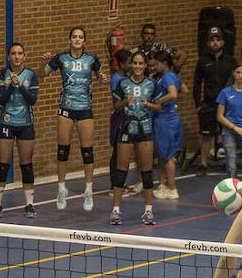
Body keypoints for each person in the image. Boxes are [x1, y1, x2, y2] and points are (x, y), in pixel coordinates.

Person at [40, 27, 106, 212]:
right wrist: (44, 63)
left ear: (85, 41)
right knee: (63, 151)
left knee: (87, 152)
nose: (77, 40)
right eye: (74, 37)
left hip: (85, 109)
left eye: (81, 37)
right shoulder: (61, 58)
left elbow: (100, 77)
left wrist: (102, 79)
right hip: (66, 109)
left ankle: (88, 190)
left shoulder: (92, 59)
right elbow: (42, 74)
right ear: (69, 40)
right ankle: (62, 188)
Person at [109, 51, 159, 226]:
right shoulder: (123, 84)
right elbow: (116, 106)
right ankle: (115, 211)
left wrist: (148, 104)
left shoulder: (152, 84)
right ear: (131, 65)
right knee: (121, 169)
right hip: (127, 129)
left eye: (141, 63)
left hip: (145, 130)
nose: (137, 66)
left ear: (145, 66)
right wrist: (125, 102)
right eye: (135, 63)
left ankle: (148, 211)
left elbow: (159, 107)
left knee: (146, 170)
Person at [0, 42, 40, 219]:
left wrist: (20, 85)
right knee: (3, 164)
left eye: (20, 53)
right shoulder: (2, 74)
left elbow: (32, 100)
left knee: (26, 165)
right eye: (13, 53)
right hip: (6, 123)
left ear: (24, 57)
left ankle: (29, 204)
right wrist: (11, 85)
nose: (17, 57)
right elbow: (1, 100)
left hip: (25, 124)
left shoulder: (31, 75)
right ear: (8, 57)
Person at [192, 28, 235, 176]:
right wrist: (198, 104)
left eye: (218, 39)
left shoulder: (230, 61)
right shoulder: (203, 61)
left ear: (222, 42)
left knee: (227, 134)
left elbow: (237, 80)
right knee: (206, 135)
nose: (215, 42)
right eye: (212, 40)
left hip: (227, 105)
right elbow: (197, 83)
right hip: (208, 104)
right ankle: (203, 164)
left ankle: (229, 164)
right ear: (208, 43)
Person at [215, 64, 242, 178]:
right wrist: (235, 128)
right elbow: (220, 116)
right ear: (233, 74)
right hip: (229, 131)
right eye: (238, 72)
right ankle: (233, 193)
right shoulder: (225, 92)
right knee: (231, 166)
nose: (240, 76)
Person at [152, 51, 185, 200]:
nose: (155, 66)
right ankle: (163, 185)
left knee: (168, 155)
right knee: (163, 154)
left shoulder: (167, 76)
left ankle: (172, 188)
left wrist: (159, 101)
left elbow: (173, 94)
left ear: (164, 63)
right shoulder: (172, 76)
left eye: (157, 63)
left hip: (166, 118)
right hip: (167, 117)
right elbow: (184, 89)